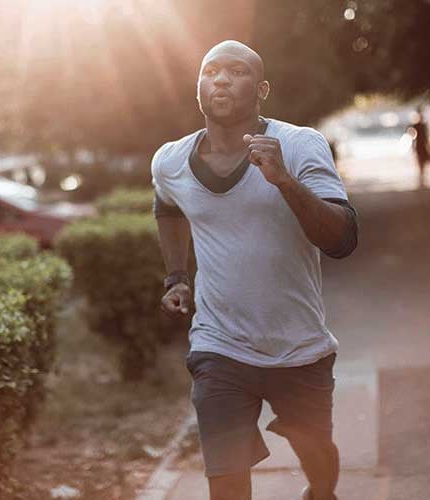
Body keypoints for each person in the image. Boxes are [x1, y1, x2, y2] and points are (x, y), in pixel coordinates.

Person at [152, 41, 358, 500]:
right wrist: (177, 277)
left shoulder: (300, 145)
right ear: (198, 88)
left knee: (319, 461)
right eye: (211, 71)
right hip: (219, 346)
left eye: (236, 71)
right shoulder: (170, 161)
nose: (222, 79)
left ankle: (321, 492)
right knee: (226, 481)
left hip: (299, 347)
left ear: (262, 89)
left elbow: (342, 239)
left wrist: (284, 179)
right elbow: (167, 207)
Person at [409, 107, 430, 186]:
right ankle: (421, 178)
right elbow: (413, 138)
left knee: (423, 161)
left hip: (422, 146)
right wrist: (413, 148)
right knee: (421, 162)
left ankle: (422, 177)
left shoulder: (421, 126)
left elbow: (425, 137)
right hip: (419, 146)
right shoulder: (416, 126)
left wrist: (429, 146)